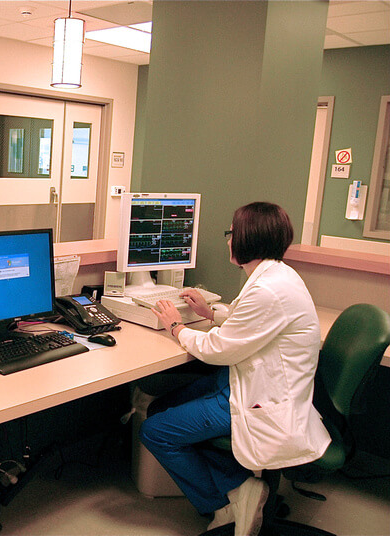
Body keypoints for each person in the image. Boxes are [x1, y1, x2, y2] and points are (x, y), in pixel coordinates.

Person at [139, 202, 331, 536]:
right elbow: (254, 323)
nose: (229, 240)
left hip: (261, 397)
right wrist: (211, 313)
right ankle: (239, 486)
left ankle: (223, 506)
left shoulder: (267, 289)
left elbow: (217, 349)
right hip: (245, 380)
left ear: (247, 239)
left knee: (155, 430)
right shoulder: (278, 275)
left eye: (232, 232)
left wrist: (176, 327)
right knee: (160, 408)